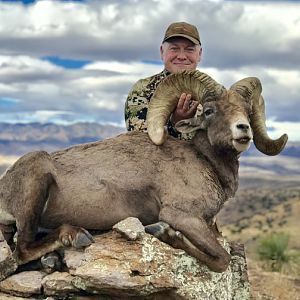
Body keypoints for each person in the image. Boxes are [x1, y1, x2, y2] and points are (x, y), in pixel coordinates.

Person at [124, 21, 203, 140]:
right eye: (174, 49)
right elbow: (140, 142)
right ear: (162, 52)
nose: (181, 56)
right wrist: (176, 124)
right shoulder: (142, 90)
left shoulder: (212, 93)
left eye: (189, 49)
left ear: (200, 54)